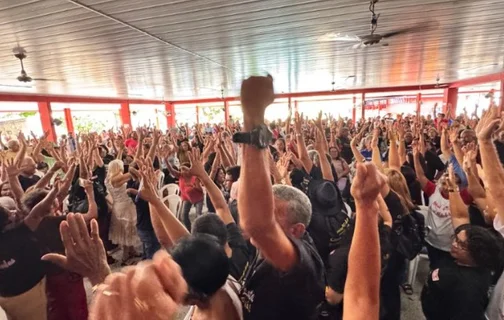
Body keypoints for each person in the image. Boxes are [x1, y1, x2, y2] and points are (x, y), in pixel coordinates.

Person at [237, 75, 325, 319]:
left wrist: (254, 119)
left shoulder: (304, 264)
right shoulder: (265, 253)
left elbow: (257, 224)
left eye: (272, 215)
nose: (263, 214)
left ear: (296, 230)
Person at [421, 165, 504, 320]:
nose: (454, 244)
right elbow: (460, 217)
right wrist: (453, 189)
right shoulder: (470, 244)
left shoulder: (469, 289)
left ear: (475, 255)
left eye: (460, 245)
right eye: (456, 240)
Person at [0, 182, 60, 320]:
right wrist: (53, 192)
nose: (15, 212)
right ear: (5, 223)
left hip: (5, 295)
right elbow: (37, 213)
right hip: (29, 292)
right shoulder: (19, 232)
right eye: (10, 213)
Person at [105, 159, 140, 265]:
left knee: (126, 230)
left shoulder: (108, 179)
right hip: (125, 207)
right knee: (126, 231)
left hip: (119, 206)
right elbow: (132, 172)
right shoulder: (117, 178)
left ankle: (132, 250)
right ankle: (125, 256)